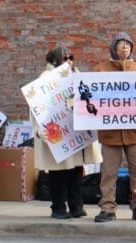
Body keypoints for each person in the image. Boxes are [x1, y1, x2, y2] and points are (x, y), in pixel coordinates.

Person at [31, 46, 101, 219]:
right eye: (65, 58)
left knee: (76, 172)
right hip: (58, 131)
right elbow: (37, 106)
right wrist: (41, 130)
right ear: (56, 60)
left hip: (75, 132)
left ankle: (76, 205)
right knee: (58, 173)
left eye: (71, 57)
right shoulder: (45, 79)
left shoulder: (78, 77)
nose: (69, 61)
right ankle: (58, 207)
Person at [88, 32, 136, 223]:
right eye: (121, 44)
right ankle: (107, 208)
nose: (124, 47)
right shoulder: (100, 71)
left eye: (128, 44)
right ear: (113, 48)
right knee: (108, 172)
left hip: (135, 131)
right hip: (110, 133)